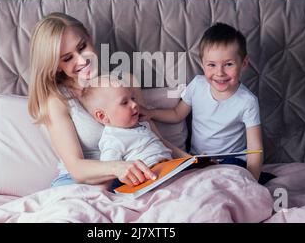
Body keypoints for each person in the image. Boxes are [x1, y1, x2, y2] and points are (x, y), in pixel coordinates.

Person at [27, 12, 187, 189]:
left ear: (89, 37)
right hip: (78, 184)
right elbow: (76, 169)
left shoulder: (125, 82)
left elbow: (152, 138)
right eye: (67, 58)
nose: (82, 60)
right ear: (56, 66)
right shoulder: (57, 100)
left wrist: (191, 161)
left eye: (82, 47)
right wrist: (118, 168)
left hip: (133, 179)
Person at [141, 23, 274, 184]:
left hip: (232, 161)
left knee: (228, 178)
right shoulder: (197, 85)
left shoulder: (247, 101)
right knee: (181, 180)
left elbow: (255, 149)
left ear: (243, 64)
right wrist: (151, 113)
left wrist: (252, 181)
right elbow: (177, 114)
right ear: (203, 64)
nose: (220, 73)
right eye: (212, 65)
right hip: (199, 160)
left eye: (229, 64)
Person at [80, 75, 173, 191]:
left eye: (133, 98)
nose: (134, 104)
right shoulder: (113, 139)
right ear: (103, 116)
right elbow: (107, 174)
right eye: (124, 102)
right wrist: (103, 194)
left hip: (171, 169)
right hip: (149, 181)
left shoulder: (142, 123)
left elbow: (162, 144)